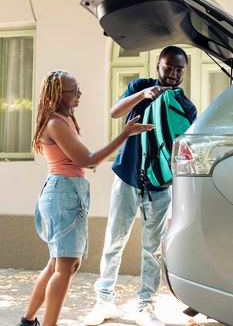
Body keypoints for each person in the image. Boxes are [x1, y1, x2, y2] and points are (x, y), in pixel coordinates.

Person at [16, 70, 155, 326]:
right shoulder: (56, 123)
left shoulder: (63, 119)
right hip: (63, 192)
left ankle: (28, 321)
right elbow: (88, 160)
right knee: (66, 266)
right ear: (58, 94)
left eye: (78, 87)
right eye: (73, 90)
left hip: (66, 191)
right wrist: (124, 135)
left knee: (59, 263)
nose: (79, 93)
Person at [84, 46, 197, 326]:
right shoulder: (140, 87)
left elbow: (185, 149)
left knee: (152, 249)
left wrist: (172, 178)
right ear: (157, 66)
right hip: (127, 177)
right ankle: (104, 302)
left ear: (185, 71)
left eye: (178, 69)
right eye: (167, 67)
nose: (172, 73)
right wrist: (143, 95)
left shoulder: (186, 106)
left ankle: (145, 306)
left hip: (160, 186)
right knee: (114, 242)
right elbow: (114, 112)